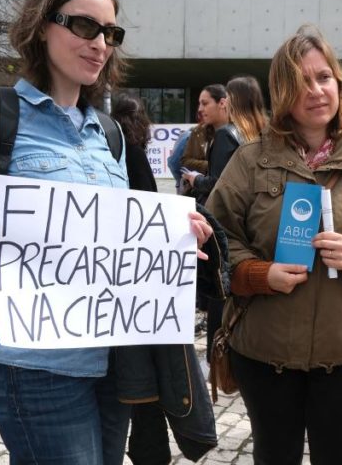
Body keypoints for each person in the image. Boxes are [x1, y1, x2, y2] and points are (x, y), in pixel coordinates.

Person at [0, 0, 213, 465]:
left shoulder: (106, 133)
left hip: (113, 360)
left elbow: (114, 235)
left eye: (110, 33)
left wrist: (171, 237)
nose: (99, 44)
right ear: (42, 25)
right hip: (32, 364)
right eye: (85, 26)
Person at [206, 26, 342, 464]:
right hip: (264, 353)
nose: (317, 90)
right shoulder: (250, 160)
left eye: (324, 78)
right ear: (282, 92)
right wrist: (257, 273)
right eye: (302, 81)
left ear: (339, 85)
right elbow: (217, 234)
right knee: (274, 455)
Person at [111, 94, 218, 464]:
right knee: (147, 388)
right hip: (140, 291)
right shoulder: (133, 153)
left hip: (124, 289)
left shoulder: (113, 149)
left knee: (138, 392)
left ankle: (147, 451)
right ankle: (150, 452)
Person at [182, 75, 268, 362]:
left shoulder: (227, 135)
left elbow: (220, 185)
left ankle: (217, 358)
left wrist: (196, 180)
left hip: (227, 226)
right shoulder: (262, 134)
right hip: (257, 224)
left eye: (225, 99)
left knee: (220, 292)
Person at [179, 84, 229, 189]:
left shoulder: (237, 132)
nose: (200, 109)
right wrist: (210, 166)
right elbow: (185, 162)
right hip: (200, 197)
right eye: (199, 104)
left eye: (205, 103)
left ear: (222, 103)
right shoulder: (198, 132)